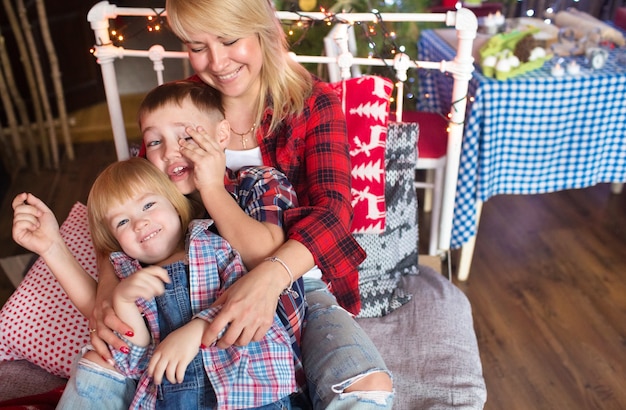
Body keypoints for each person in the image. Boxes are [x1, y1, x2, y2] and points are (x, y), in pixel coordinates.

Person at [92, 1, 394, 408]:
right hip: (197, 286)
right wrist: (107, 293)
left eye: (230, 39)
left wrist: (265, 281)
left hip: (297, 281)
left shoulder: (311, 103)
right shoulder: (178, 105)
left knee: (366, 386)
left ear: (263, 29)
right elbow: (125, 200)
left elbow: (334, 213)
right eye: (198, 46)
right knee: (106, 363)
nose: (216, 62)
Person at [12, 158, 296, 409]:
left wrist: (196, 332)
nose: (139, 223)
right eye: (122, 222)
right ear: (113, 239)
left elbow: (247, 308)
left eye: (148, 205)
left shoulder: (214, 245)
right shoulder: (126, 275)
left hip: (251, 391)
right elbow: (131, 362)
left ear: (174, 202)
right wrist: (123, 301)